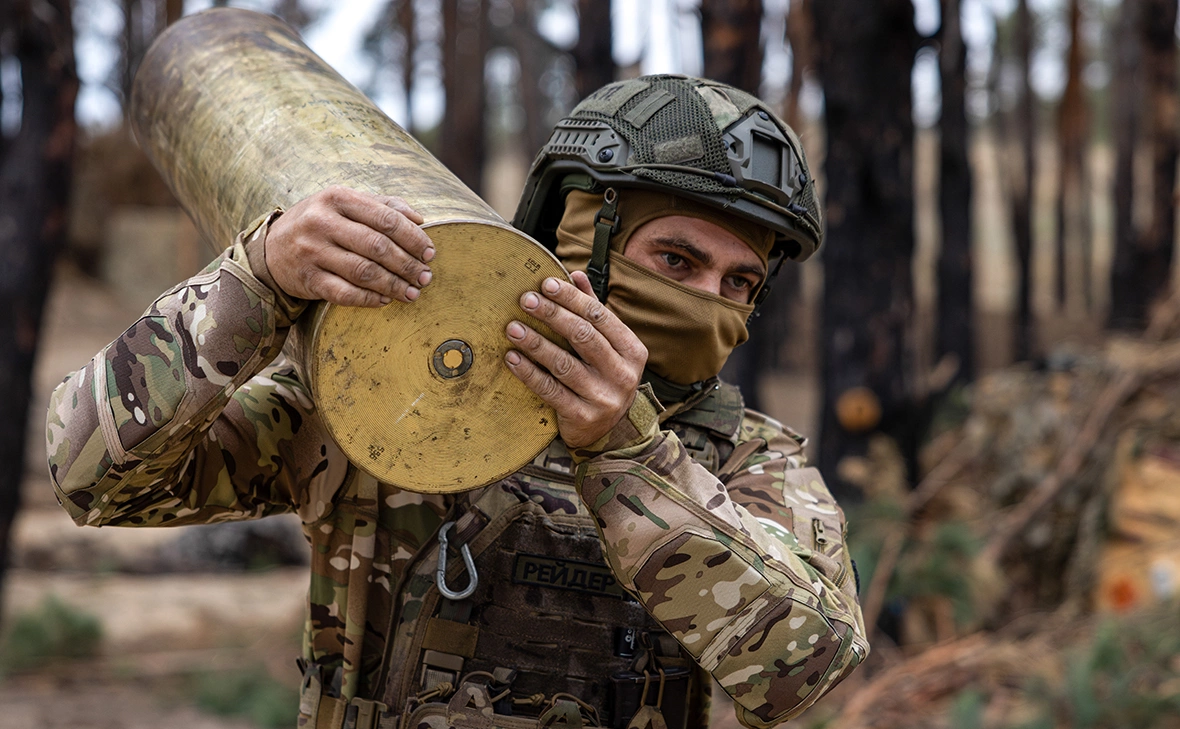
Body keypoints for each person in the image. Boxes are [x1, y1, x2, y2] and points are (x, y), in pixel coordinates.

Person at [46, 75, 867, 729]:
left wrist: (628, 456)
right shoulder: (394, 391)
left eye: (740, 283)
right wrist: (253, 284)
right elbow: (89, 469)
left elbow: (802, 668)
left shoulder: (751, 458)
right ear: (581, 235)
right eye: (677, 260)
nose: (708, 304)